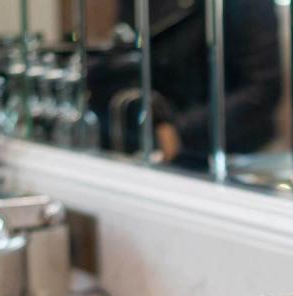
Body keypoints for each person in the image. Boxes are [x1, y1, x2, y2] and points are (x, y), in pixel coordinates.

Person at [113, 0, 282, 169]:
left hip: (232, 150)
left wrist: (178, 131)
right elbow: (130, 65)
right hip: (149, 145)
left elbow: (262, 89)